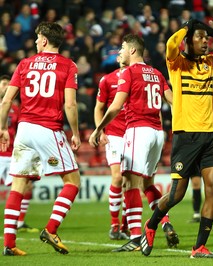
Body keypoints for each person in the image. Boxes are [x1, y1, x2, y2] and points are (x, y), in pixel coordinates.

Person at [139, 19, 213, 258]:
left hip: (210, 135)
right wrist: (187, 28)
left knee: (212, 187)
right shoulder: (177, 64)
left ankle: (199, 247)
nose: (204, 41)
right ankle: (151, 224)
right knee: (177, 194)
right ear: (188, 41)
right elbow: (170, 43)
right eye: (199, 37)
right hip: (185, 136)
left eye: (205, 38)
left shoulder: (211, 62)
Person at [89, 33, 178, 252]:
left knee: (129, 182)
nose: (120, 51)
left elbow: (116, 106)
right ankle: (164, 221)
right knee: (147, 183)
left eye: (122, 47)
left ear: (132, 50)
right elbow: (174, 101)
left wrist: (98, 129)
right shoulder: (156, 73)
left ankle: (137, 237)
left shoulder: (128, 72)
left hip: (138, 129)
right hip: (158, 133)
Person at [1, 22, 81, 256]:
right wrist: (75, 133)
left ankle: (9, 244)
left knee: (18, 185)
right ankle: (51, 229)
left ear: (45, 40)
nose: (36, 41)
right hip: (48, 129)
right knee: (73, 182)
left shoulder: (24, 64)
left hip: (24, 129)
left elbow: (6, 101)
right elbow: (70, 104)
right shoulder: (68, 65)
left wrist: (3, 128)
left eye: (38, 38)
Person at [94, 57, 130, 241]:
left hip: (134, 133)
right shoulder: (107, 80)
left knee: (131, 183)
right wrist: (100, 131)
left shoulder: (138, 77)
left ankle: (125, 225)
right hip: (115, 134)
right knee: (117, 178)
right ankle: (115, 224)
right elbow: (99, 108)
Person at [0, 75, 38, 234]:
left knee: (26, 185)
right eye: (3, 84)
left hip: (11, 153)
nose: (6, 87)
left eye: (9, 84)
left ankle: (20, 222)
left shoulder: (17, 109)